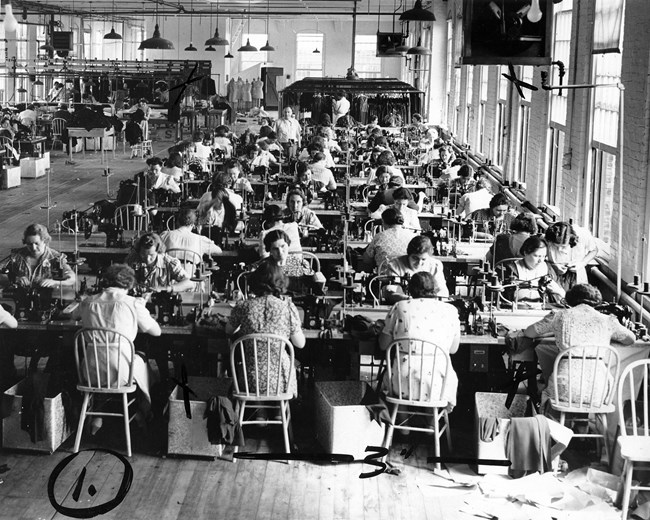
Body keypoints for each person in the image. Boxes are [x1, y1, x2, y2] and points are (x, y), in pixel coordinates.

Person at [72, 264, 161, 429]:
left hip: (92, 372)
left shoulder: (89, 302)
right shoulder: (132, 303)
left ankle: (98, 412)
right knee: (144, 356)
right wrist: (140, 306)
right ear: (129, 284)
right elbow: (156, 332)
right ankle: (140, 411)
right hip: (121, 373)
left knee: (106, 368)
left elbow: (73, 315)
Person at [522, 284, 635, 409]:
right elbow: (631, 340)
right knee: (589, 397)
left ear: (570, 299)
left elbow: (529, 332)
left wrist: (555, 331)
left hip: (566, 386)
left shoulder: (559, 315)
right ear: (596, 302)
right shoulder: (608, 320)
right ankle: (581, 427)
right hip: (598, 389)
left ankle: (555, 426)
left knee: (544, 390)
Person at [378, 272, 460, 409]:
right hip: (437, 384)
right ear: (435, 289)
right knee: (433, 391)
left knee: (398, 379)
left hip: (401, 381)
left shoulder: (400, 306)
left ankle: (403, 429)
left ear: (409, 289)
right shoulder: (450, 310)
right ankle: (431, 426)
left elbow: (383, 345)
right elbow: (453, 349)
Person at [225, 261, 305, 397]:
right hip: (281, 381)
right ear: (281, 282)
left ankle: (260, 414)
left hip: (250, 379)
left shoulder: (243, 306)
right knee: (280, 397)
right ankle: (278, 413)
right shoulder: (287, 308)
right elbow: (300, 344)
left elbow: (228, 331)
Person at [0, 224, 75, 289]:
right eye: (29, 244)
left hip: (46, 297)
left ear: (45, 241)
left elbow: (72, 279)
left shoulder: (56, 257)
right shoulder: (16, 255)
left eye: (37, 243)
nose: (33, 248)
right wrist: (15, 279)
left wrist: (55, 282)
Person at [500, 236, 565, 304]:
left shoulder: (547, 268)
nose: (541, 260)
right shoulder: (513, 269)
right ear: (525, 252)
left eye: (543, 256)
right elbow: (505, 297)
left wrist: (557, 291)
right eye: (537, 256)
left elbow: (561, 295)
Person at [383, 235, 449, 301]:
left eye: (423, 259)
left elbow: (443, 291)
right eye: (415, 258)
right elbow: (391, 292)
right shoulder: (395, 265)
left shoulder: (435, 265)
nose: (419, 263)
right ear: (408, 255)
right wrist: (409, 299)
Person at [124, 233, 193, 293]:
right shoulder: (132, 260)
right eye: (143, 255)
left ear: (158, 251)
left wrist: (167, 289)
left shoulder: (169, 262)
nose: (148, 259)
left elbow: (189, 283)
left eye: (151, 255)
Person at [545, 221, 598, 290]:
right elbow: (540, 258)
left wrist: (582, 263)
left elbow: (594, 250)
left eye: (563, 246)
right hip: (554, 275)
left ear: (572, 239)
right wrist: (552, 266)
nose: (560, 249)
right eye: (557, 247)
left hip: (577, 274)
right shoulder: (548, 238)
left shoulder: (583, 235)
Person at [362, 207, 416, 272]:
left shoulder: (379, 236)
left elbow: (367, 259)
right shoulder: (413, 236)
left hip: (384, 277)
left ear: (383, 222)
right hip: (407, 277)